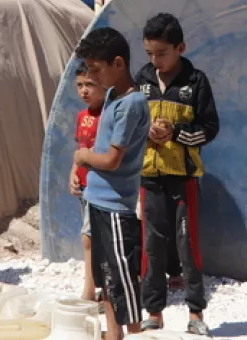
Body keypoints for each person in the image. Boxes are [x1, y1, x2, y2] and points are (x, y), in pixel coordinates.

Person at [133, 13, 221, 335]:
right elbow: (129, 124)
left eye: (161, 53)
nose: (155, 61)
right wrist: (147, 132)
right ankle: (153, 312)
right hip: (149, 178)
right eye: (149, 54)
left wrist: (176, 132)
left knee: (188, 245)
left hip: (183, 178)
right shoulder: (141, 79)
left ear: (180, 47)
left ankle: (196, 314)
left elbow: (210, 128)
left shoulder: (196, 81)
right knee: (152, 245)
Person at [73, 27, 152, 340]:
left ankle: (133, 332)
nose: (93, 77)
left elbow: (111, 160)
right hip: (98, 199)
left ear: (118, 63)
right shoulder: (111, 96)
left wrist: (83, 156)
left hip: (116, 205)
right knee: (105, 273)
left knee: (122, 276)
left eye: (96, 70)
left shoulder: (131, 103)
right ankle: (113, 332)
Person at [70, 65, 106, 302]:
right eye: (80, 85)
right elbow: (80, 150)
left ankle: (90, 290)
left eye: (90, 84)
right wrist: (73, 172)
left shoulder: (109, 115)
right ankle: (92, 288)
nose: (84, 91)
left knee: (90, 237)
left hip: (102, 186)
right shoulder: (82, 117)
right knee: (89, 236)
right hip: (85, 186)